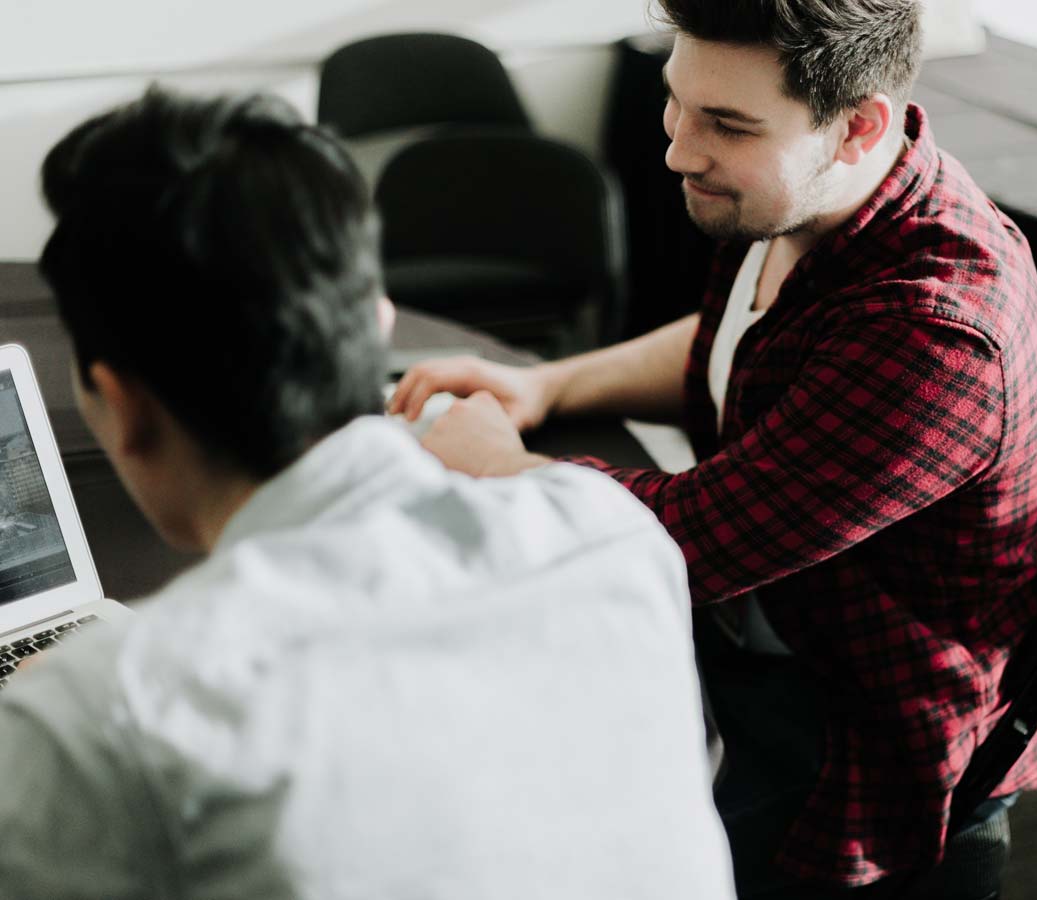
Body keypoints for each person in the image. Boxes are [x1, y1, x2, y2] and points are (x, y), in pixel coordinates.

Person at [390, 0, 1037, 895]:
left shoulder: (937, 337)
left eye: (727, 124)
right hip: (780, 633)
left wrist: (501, 467)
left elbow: (687, 545)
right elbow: (736, 341)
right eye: (676, 102)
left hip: (857, 751)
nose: (678, 150)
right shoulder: (823, 197)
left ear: (858, 127)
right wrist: (551, 386)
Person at [0, 87, 735, 900]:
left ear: (124, 406)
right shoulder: (615, 539)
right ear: (378, 326)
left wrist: (52, 728)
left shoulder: (112, 714)